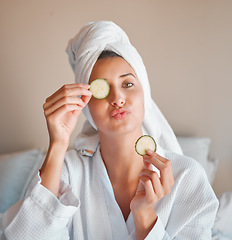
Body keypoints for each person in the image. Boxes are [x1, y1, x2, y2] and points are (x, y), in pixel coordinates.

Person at [1, 21, 218, 240]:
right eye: (101, 89)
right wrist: (58, 143)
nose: (117, 99)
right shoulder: (67, 170)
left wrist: (145, 219)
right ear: (85, 105)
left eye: (127, 84)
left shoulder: (188, 177)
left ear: (145, 93)